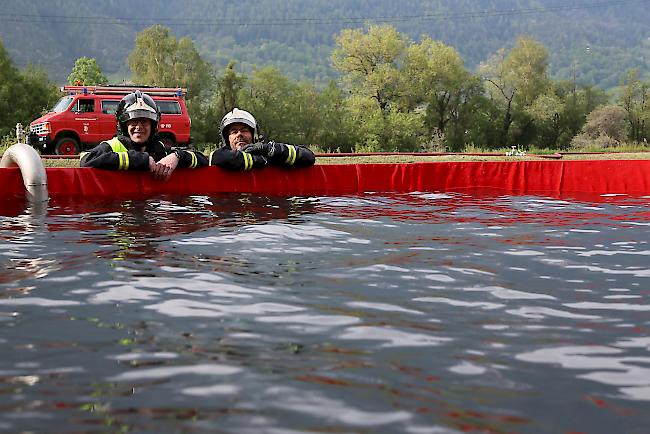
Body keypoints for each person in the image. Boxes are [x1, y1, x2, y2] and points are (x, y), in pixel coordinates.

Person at [80, 90, 207, 180]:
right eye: (134, 121)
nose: (139, 126)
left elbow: (203, 160)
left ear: (153, 125)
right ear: (123, 125)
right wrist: (139, 160)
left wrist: (177, 156)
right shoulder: (113, 146)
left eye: (145, 121)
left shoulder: (159, 149)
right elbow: (85, 160)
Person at [209, 108, 315, 171]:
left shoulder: (269, 154)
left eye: (244, 130)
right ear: (227, 139)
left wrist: (271, 150)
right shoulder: (221, 157)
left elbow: (308, 157)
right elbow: (218, 158)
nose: (239, 134)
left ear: (254, 135)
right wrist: (259, 161)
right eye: (234, 132)